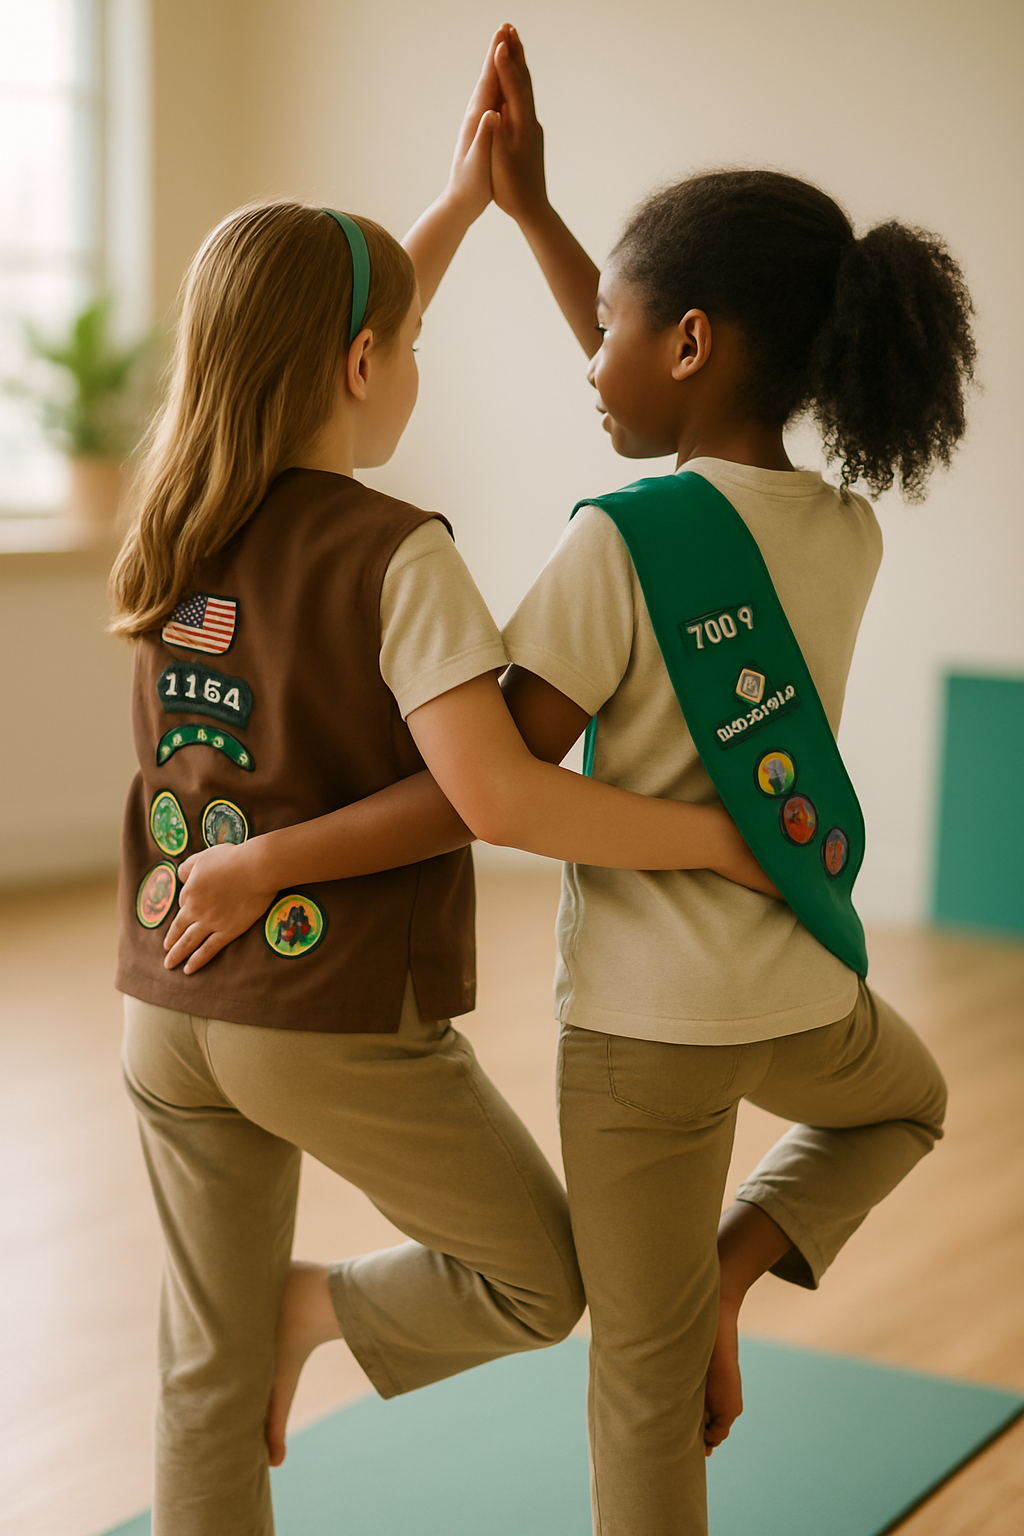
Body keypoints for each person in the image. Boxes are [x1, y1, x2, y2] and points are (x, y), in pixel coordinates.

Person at [165, 27, 973, 1536]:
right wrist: (532, 219)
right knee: (905, 1105)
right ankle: (733, 1272)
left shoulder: (615, 546)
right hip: (801, 991)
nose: (584, 354)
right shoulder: (848, 534)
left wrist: (288, 857)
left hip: (640, 1042)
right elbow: (680, 408)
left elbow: (495, 777)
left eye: (604, 325)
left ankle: (675, 1300)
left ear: (683, 342)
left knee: (640, 1379)